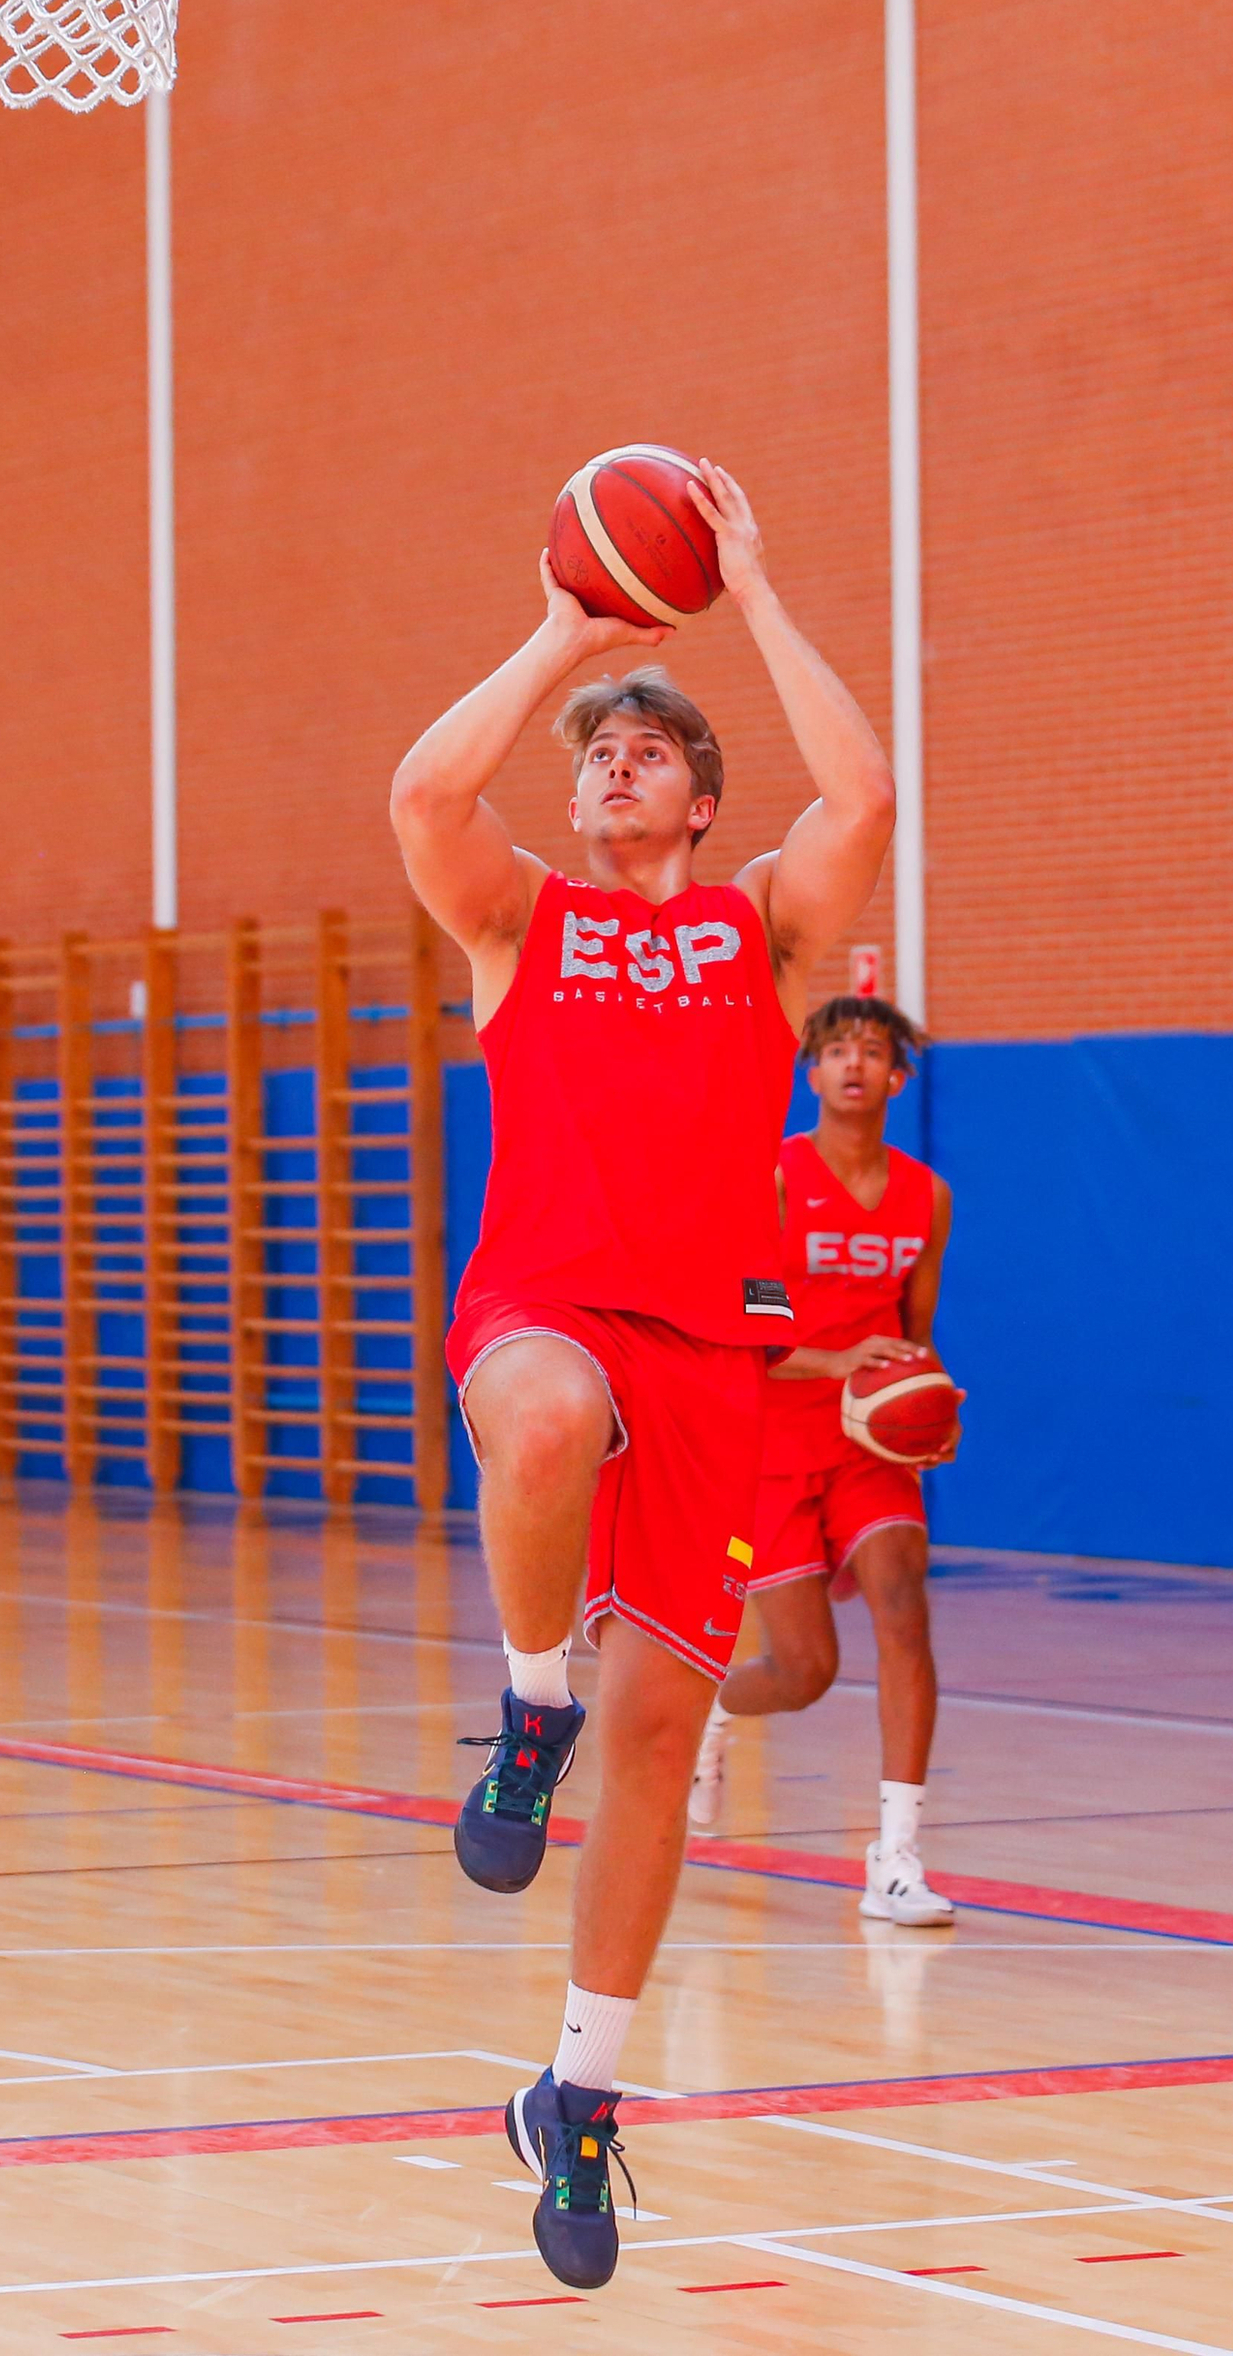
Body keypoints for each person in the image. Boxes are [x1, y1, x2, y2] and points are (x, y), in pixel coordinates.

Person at [388, 462, 894, 2291]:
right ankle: (532, 1702)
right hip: (546, 1304)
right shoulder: (524, 918)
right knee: (535, 1416)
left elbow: (868, 793)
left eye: (648, 751)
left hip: (707, 1357)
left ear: (700, 795)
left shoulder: (756, 931)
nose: (612, 768)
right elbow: (426, 790)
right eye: (598, 752)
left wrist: (748, 585)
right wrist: (559, 633)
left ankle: (579, 2093)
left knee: (668, 1739)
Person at [688, 995, 959, 1928]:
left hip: (867, 1446)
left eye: (872, 1052)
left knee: (904, 1605)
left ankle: (897, 1856)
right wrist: (835, 1359)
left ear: (898, 1079)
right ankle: (713, 1713)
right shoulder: (774, 1178)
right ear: (811, 1073)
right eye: (836, 1049)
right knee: (804, 1671)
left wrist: (925, 1406)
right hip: (775, 1436)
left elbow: (916, 1339)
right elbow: (748, 1326)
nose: (853, 1064)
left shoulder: (928, 1196)